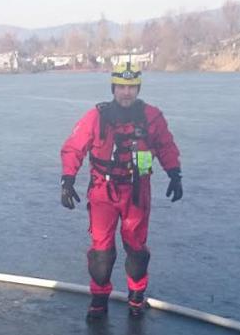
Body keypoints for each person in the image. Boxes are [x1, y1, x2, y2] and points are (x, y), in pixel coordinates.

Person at [60, 61, 182, 321]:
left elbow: (166, 145)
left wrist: (174, 173)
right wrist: (68, 179)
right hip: (103, 191)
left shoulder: (152, 116)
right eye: (122, 87)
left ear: (138, 89)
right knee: (101, 253)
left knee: (136, 247)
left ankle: (136, 297)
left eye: (132, 87)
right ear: (113, 88)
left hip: (138, 189)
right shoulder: (97, 116)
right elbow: (74, 147)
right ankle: (99, 300)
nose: (126, 93)